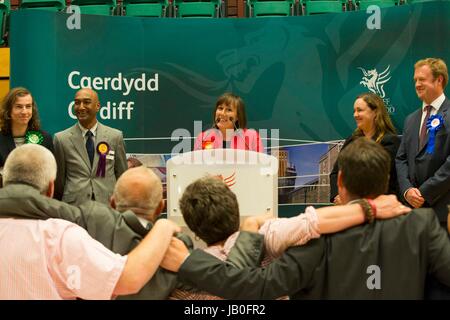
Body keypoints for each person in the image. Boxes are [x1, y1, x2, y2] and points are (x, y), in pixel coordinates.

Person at [162, 138, 450, 299]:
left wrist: (188, 261)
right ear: (387, 180)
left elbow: (255, 286)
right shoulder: (422, 224)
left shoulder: (317, 237)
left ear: (340, 182)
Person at [0, 151, 259, 299]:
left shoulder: (80, 228)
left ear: (112, 202)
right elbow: (230, 281)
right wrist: (249, 232)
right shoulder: (176, 249)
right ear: (161, 207)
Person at [169, 175, 410, 300]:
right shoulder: (265, 235)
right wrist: (371, 208)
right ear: (234, 206)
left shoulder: (179, 269)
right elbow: (312, 222)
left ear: (195, 229)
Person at [0, 144, 180, 299]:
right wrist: (163, 227)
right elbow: (126, 280)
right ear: (51, 188)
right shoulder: (60, 236)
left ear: (4, 181)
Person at [396, 57, 450, 226]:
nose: (417, 84)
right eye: (415, 80)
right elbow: (401, 159)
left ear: (439, 79)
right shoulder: (410, 120)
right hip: (412, 213)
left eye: (422, 79)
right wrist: (407, 191)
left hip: (443, 212)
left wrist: (424, 192)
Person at [54, 88, 127, 205]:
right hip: (74, 208)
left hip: (108, 207)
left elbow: (122, 177)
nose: (81, 107)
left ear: (97, 106)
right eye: (77, 103)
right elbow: (59, 182)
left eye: (86, 102)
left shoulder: (115, 136)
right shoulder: (61, 139)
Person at [330, 92, 399, 204]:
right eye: (354, 111)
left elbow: (379, 180)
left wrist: (352, 199)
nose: (355, 115)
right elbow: (336, 172)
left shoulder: (390, 141)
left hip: (377, 208)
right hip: (348, 207)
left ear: (375, 112)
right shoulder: (351, 140)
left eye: (360, 110)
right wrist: (337, 196)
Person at [0, 87, 54, 184]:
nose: (24, 112)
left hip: (36, 197)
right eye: (19, 107)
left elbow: (51, 177)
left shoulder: (45, 139)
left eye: (28, 106)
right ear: (8, 110)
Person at [194, 92, 264, 152]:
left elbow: (261, 164)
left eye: (229, 110)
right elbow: (196, 165)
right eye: (220, 108)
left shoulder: (252, 137)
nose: (222, 113)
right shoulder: (203, 137)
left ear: (237, 117)